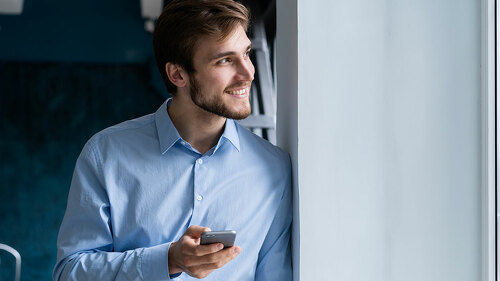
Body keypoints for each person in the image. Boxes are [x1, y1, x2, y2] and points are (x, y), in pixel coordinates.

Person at [53, 0, 292, 280]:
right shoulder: (105, 154)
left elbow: (274, 275)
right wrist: (169, 260)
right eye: (225, 60)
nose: (248, 72)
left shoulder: (273, 167)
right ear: (178, 74)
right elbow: (70, 273)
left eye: (246, 54)